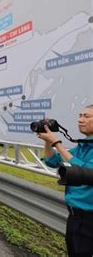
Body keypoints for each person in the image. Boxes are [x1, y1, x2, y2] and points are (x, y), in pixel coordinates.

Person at [36, 105, 93, 256]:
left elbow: (87, 172)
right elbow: (52, 161)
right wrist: (48, 141)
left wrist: (57, 143)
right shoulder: (83, 146)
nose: (80, 120)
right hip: (76, 217)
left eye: (86, 116)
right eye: (80, 115)